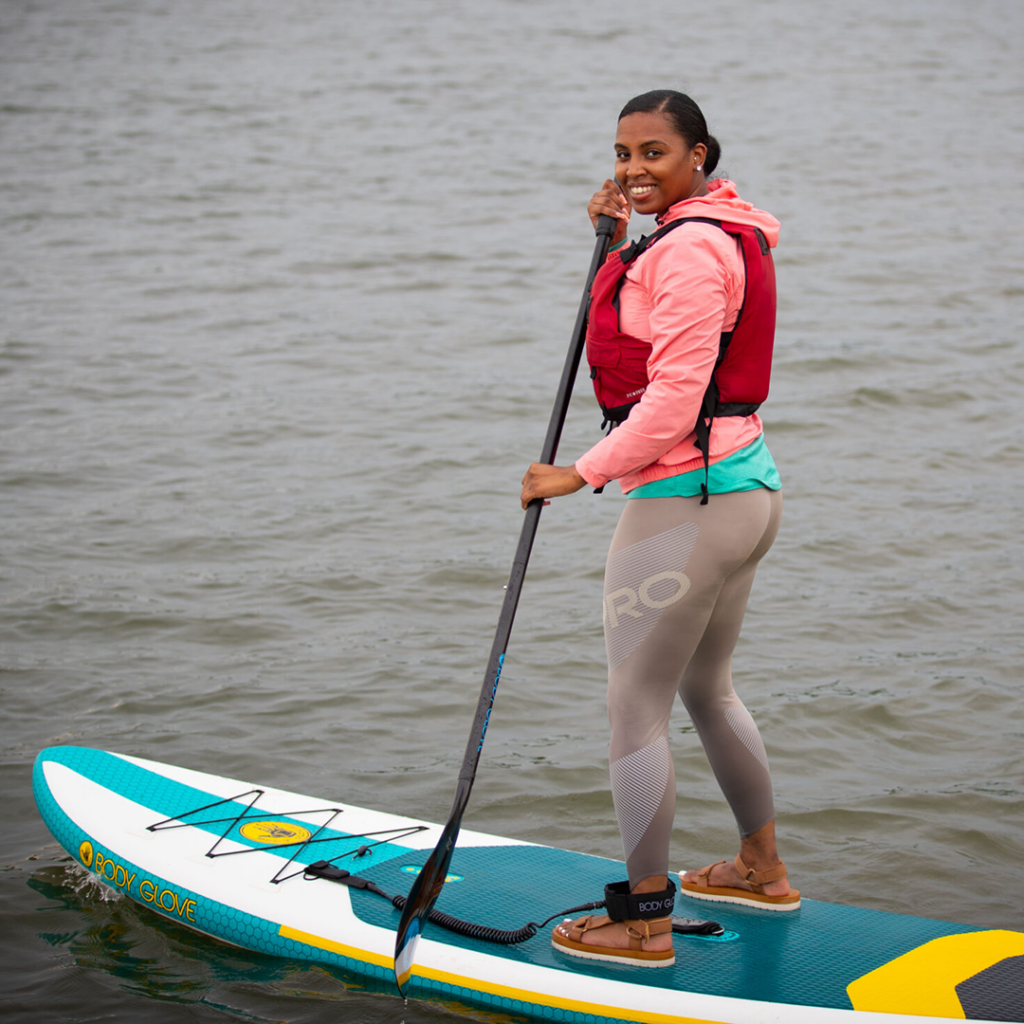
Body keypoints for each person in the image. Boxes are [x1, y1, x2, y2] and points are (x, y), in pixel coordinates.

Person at [519, 90, 798, 969]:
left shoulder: (687, 253)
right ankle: (759, 868)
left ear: (699, 157)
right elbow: (655, 327)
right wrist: (608, 236)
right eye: (623, 152)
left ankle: (643, 922)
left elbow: (674, 399)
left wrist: (580, 471)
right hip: (746, 496)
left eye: (655, 154)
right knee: (706, 690)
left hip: (683, 504)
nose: (635, 170)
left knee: (633, 706)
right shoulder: (713, 231)